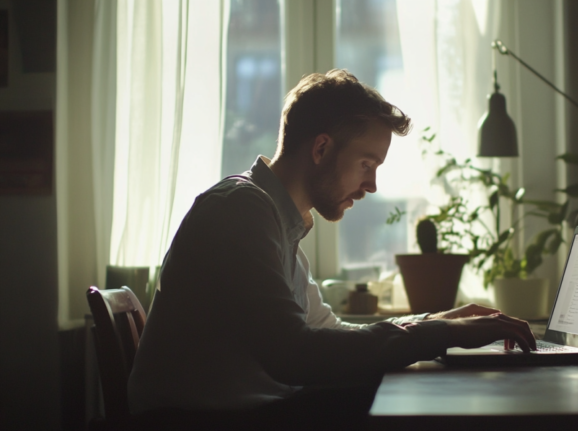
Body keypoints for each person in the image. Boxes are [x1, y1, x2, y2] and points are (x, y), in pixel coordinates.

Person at [128, 69, 536, 429]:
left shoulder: (275, 222)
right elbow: (296, 355)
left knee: (415, 394)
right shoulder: (240, 209)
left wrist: (440, 319)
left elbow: (327, 333)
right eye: (366, 164)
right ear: (321, 149)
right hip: (202, 423)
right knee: (426, 403)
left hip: (242, 414)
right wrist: (442, 333)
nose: (372, 185)